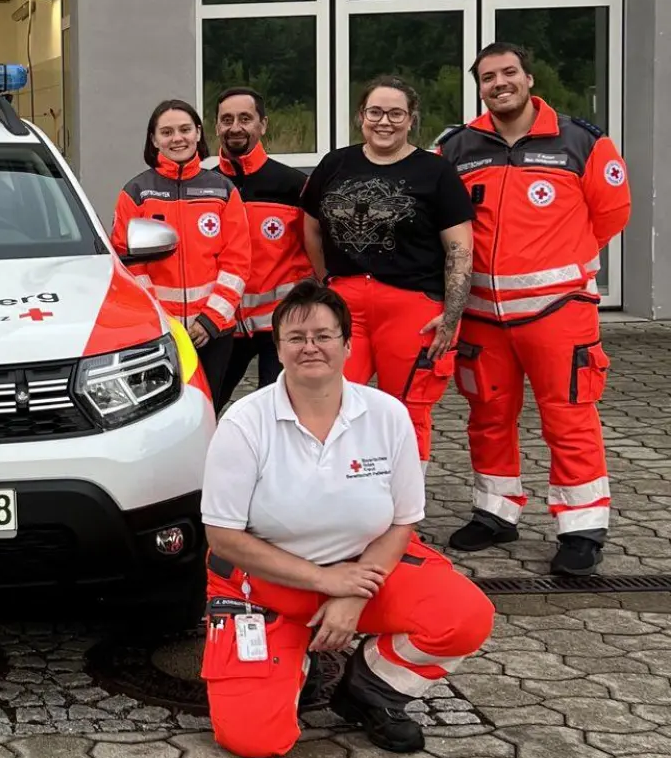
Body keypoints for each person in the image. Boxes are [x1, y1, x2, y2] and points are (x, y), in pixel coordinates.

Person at [199, 279, 494, 758]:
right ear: (278, 349)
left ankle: (369, 690)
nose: (310, 347)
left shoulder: (387, 415)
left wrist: (353, 593)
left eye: (323, 335)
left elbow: (401, 523)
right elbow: (224, 538)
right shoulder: (242, 424)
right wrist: (327, 582)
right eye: (295, 338)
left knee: (463, 617)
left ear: (348, 343)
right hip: (266, 586)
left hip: (367, 571)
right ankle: (292, 662)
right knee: (254, 741)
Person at [436, 43, 633, 576]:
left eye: (508, 73)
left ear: (529, 77)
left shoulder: (581, 142)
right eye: (487, 77)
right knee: (488, 416)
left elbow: (612, 213)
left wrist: (559, 260)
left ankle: (581, 527)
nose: (499, 83)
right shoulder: (456, 147)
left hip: (557, 311)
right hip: (481, 314)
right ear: (478, 86)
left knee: (568, 417)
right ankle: (495, 511)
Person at [300, 76, 474, 466]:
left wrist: (451, 316)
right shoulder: (335, 163)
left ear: (411, 119)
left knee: (408, 412)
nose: (385, 121)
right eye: (375, 112)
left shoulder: (436, 172)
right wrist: (327, 279)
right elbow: (310, 224)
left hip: (412, 307)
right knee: (333, 403)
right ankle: (341, 507)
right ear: (361, 116)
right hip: (345, 304)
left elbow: (459, 248)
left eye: (396, 113)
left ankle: (404, 520)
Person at [113, 99, 251, 411]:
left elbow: (237, 263)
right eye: (167, 131)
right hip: (158, 334)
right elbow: (129, 264)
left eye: (185, 129)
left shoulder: (222, 190)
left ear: (198, 133)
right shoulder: (136, 192)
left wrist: (210, 320)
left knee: (207, 411)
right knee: (155, 415)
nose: (177, 138)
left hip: (212, 332)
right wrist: (163, 322)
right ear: (153, 139)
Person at [212, 86, 313, 403]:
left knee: (278, 410)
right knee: (204, 405)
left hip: (281, 326)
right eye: (226, 119)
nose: (235, 127)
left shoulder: (293, 185)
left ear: (263, 124)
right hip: (225, 323)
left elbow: (317, 248)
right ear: (217, 127)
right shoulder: (207, 187)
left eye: (245, 118)